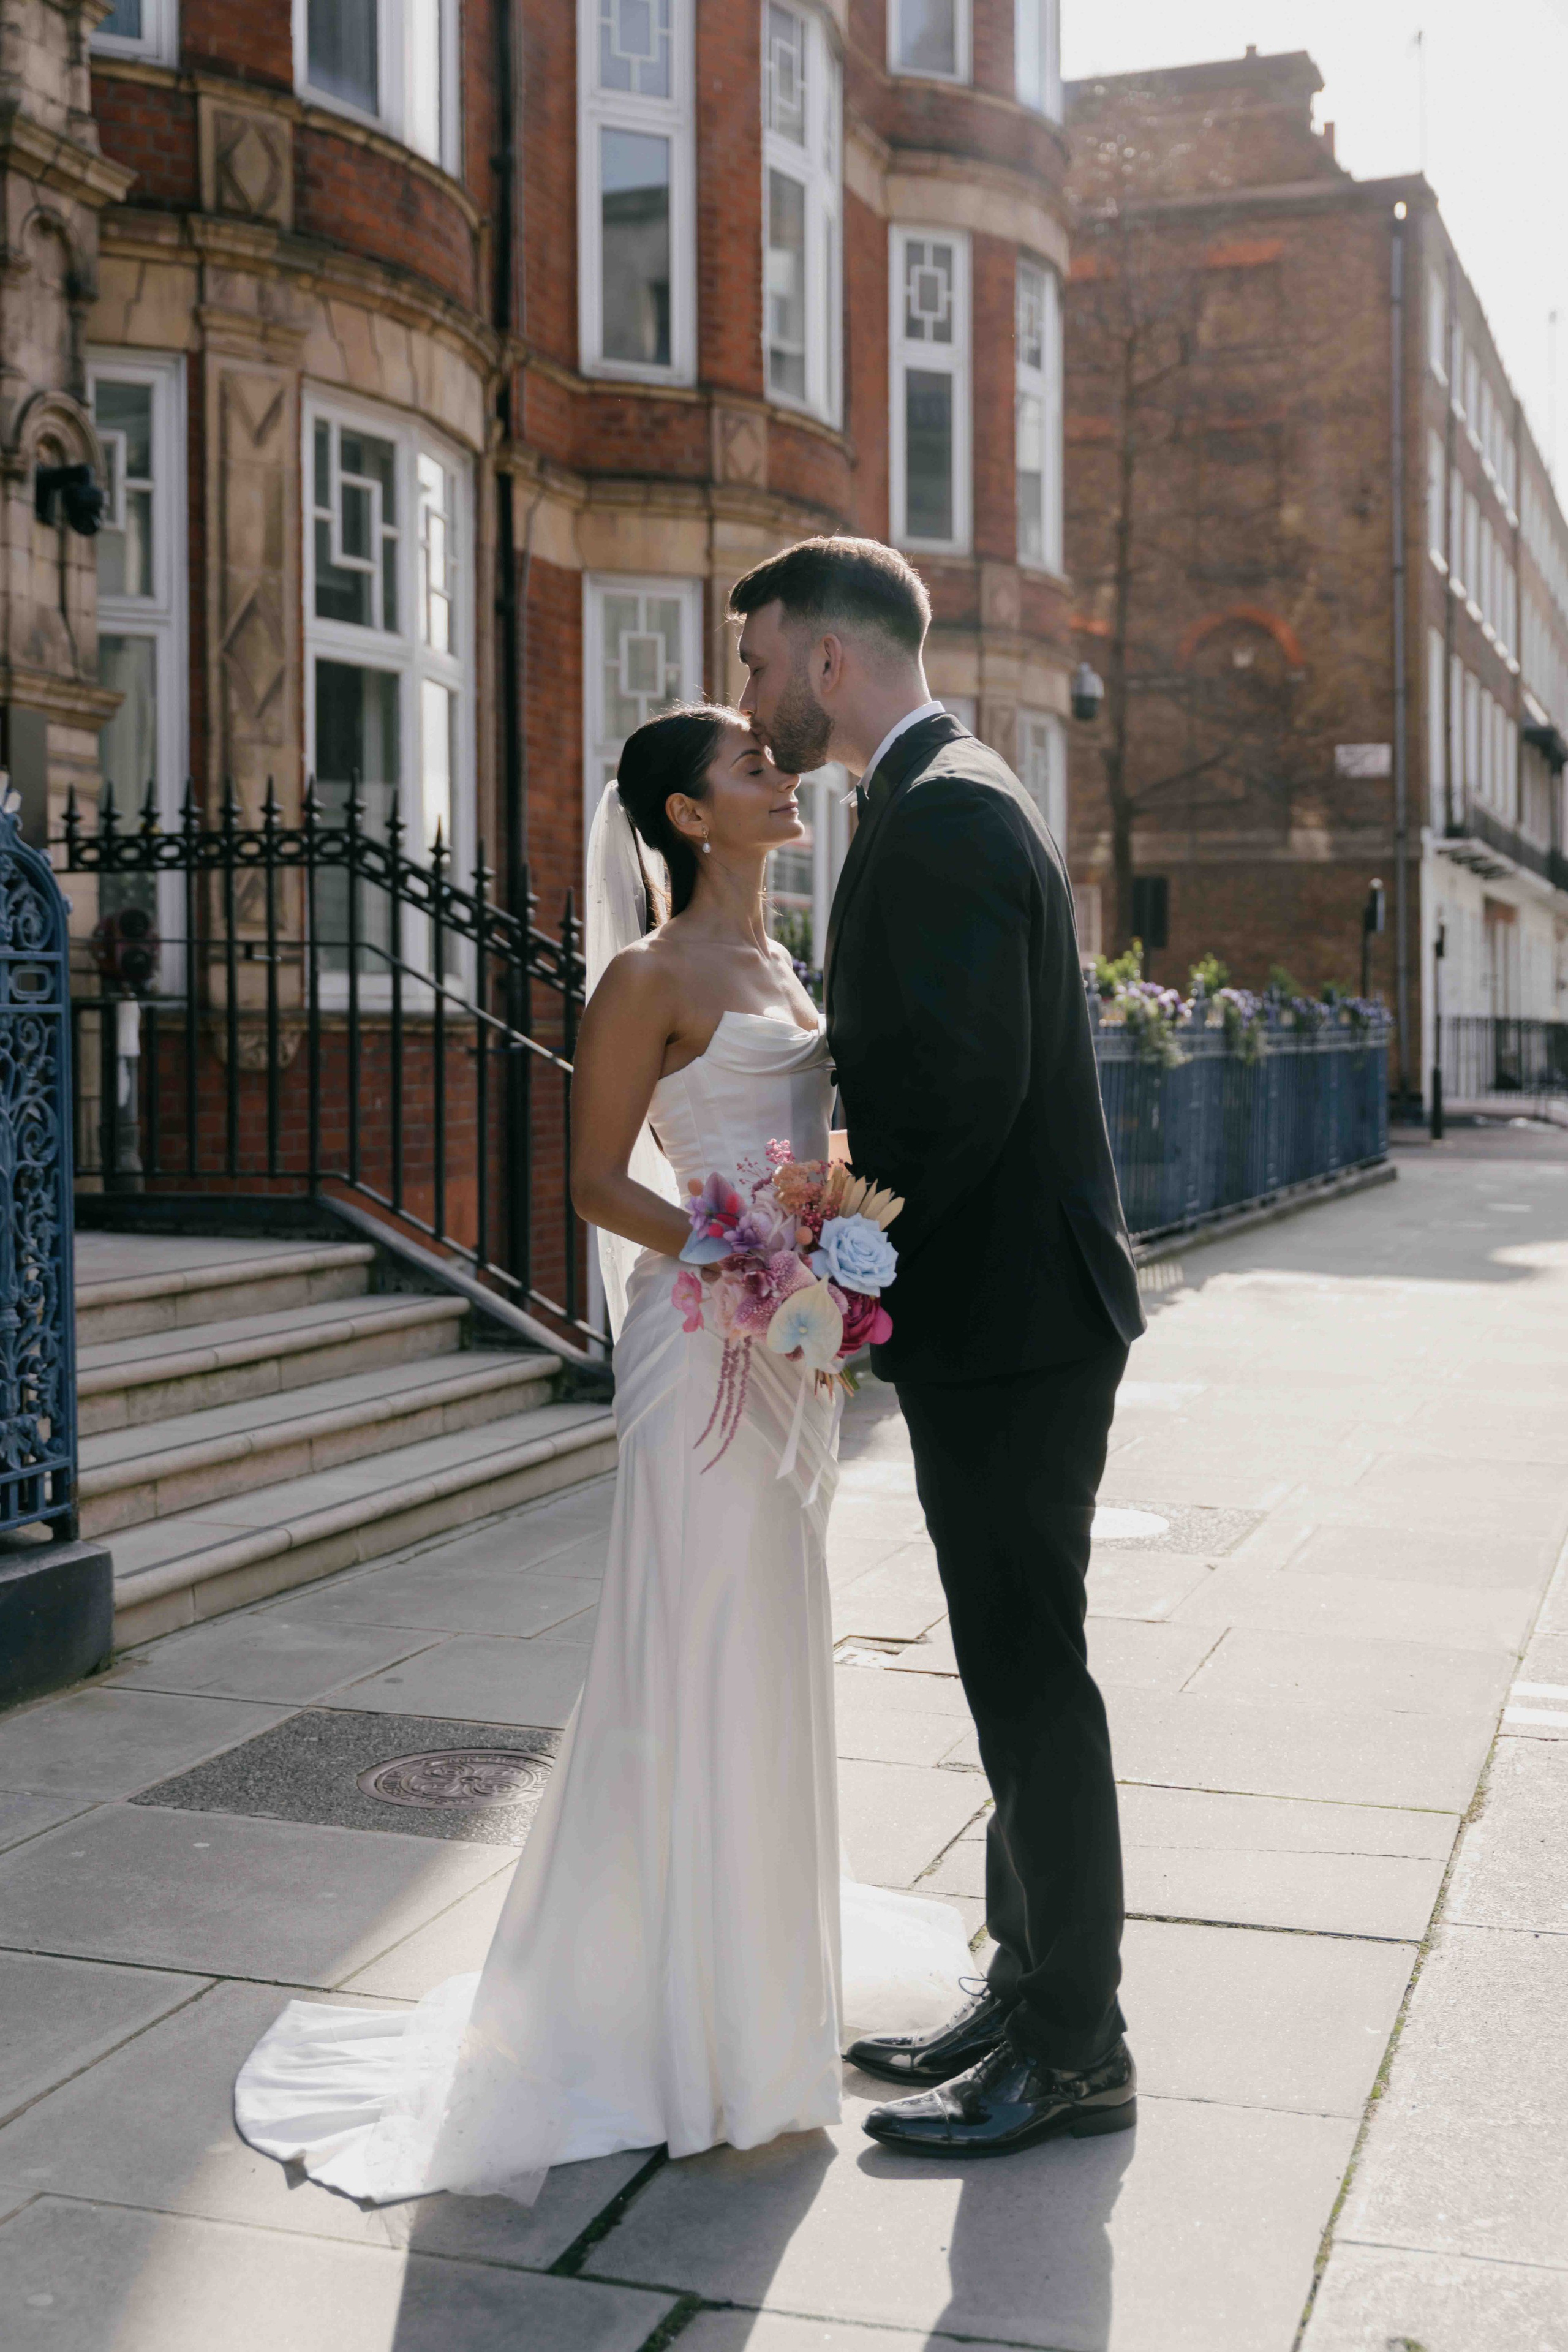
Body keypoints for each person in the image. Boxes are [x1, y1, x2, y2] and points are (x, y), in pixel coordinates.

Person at [231, 706, 967, 2205]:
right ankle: (659, 2021)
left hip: (792, 1349)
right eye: (752, 768)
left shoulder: (780, 964)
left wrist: (823, 1246)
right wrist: (746, 1246)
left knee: (764, 1645)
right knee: (686, 1644)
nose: (781, 778)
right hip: (698, 1344)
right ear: (689, 820)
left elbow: (806, 1140)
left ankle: (752, 1992)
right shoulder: (645, 975)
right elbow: (589, 1177)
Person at [730, 535, 1145, 2158]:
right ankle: (1023, 1982)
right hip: (1013, 1323)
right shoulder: (942, 793)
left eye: (762, 659)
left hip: (1017, 1329)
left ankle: (1081, 2047)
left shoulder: (952, 809)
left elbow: (957, 1099)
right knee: (1005, 1672)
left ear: (832, 659)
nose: (753, 696)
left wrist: (838, 1251)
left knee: (1035, 1683)